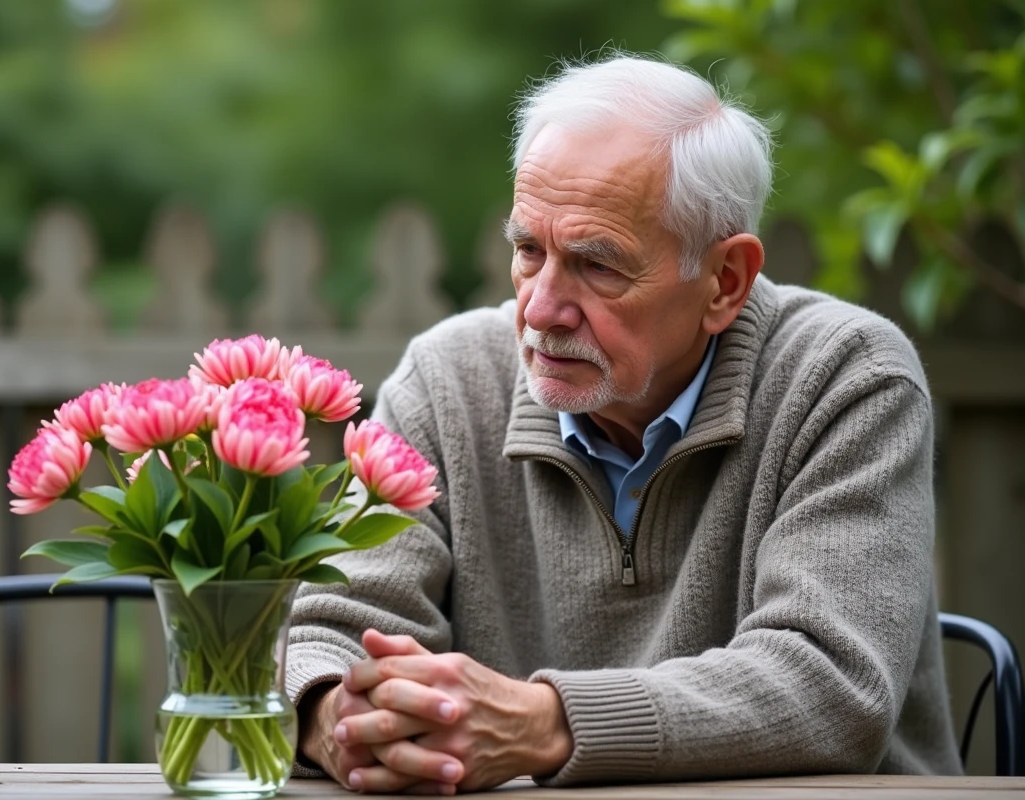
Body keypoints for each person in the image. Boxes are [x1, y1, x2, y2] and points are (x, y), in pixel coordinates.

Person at [286, 52, 963, 793]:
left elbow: (831, 685)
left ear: (724, 281)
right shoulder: (446, 381)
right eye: (528, 251)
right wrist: (338, 723)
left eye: (598, 265)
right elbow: (325, 627)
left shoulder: (847, 377)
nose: (540, 309)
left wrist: (543, 723)